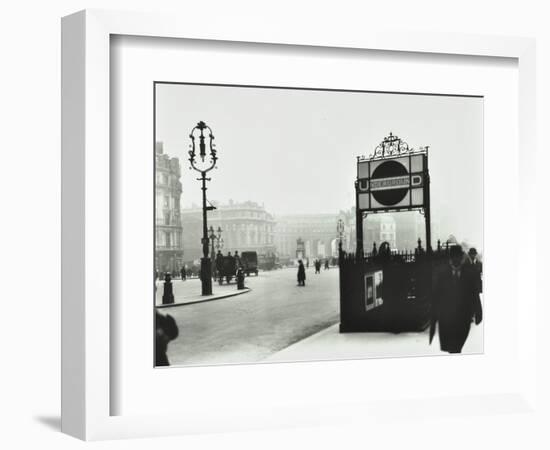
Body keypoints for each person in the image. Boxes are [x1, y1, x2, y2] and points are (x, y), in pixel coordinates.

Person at [430, 245, 482, 353]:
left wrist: (478, 312)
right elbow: (436, 298)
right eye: (454, 257)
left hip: (463, 318)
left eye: (458, 257)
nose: (456, 259)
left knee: (456, 346)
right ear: (450, 258)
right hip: (447, 319)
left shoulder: (469, 274)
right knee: (453, 348)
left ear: (462, 258)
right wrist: (434, 320)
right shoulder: (442, 274)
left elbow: (474, 294)